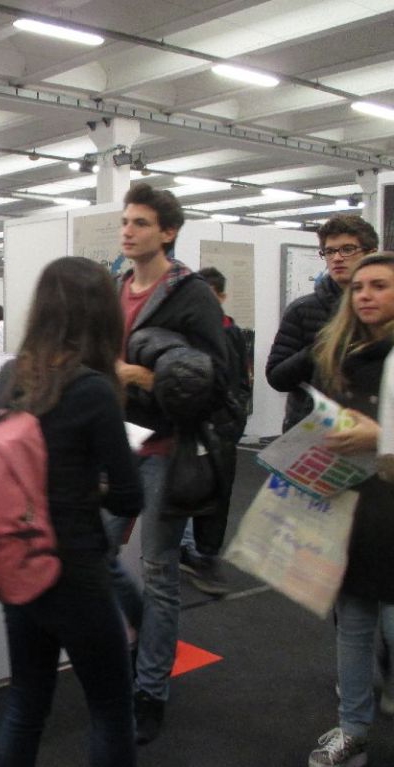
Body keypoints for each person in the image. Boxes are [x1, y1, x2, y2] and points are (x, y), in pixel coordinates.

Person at [0, 257, 143, 767]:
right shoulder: (92, 388)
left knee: (26, 703)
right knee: (112, 710)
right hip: (76, 571)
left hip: (15, 563)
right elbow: (129, 497)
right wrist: (89, 486)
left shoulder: (9, 378)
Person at [105, 182, 230, 745]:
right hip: (116, 446)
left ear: (168, 232)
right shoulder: (117, 289)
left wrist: (142, 376)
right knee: (93, 550)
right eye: (126, 221)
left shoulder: (191, 294)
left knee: (159, 573)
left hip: (166, 449)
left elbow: (216, 381)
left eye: (141, 223)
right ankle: (143, 635)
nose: (128, 231)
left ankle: (150, 688)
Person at [307, 253, 394, 767]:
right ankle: (353, 730)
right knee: (354, 626)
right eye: (359, 287)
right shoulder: (343, 354)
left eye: (380, 285)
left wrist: (379, 436)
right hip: (355, 508)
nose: (365, 295)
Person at [178, 267, 251, 595]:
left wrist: (232, 424)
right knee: (182, 488)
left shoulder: (230, 333)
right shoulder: (182, 333)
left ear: (221, 297)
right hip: (186, 429)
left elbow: (240, 382)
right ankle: (184, 548)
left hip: (219, 430)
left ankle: (205, 555)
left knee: (215, 493)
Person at [267, 215, 378, 432]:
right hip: (314, 432)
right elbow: (277, 378)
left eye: (347, 249)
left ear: (371, 253)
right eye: (329, 251)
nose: (337, 258)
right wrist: (320, 350)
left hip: (372, 429)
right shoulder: (302, 310)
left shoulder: (384, 310)